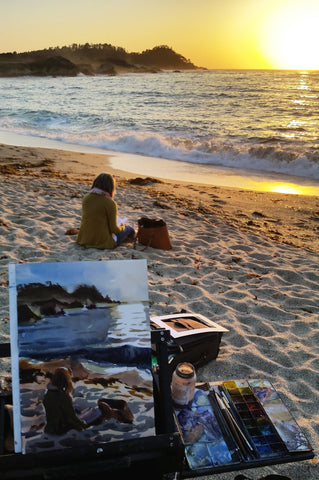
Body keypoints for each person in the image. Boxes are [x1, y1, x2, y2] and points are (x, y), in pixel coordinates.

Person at [77, 173, 136, 249]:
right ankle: (134, 234)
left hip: (84, 239)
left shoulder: (86, 198)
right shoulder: (110, 203)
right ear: (111, 187)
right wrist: (122, 226)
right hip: (102, 242)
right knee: (129, 228)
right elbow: (114, 229)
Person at [43, 367, 87, 435]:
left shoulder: (48, 394)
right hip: (61, 430)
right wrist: (84, 426)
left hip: (49, 429)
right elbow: (71, 418)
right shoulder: (63, 396)